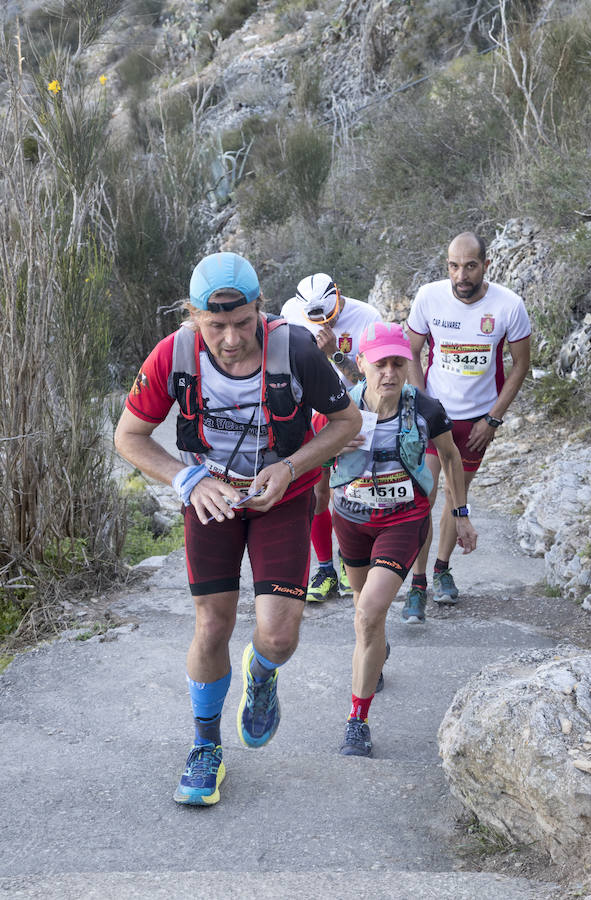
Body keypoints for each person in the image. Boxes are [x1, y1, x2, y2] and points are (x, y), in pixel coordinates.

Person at [114, 252, 361, 805]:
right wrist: (186, 479)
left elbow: (348, 422)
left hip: (283, 495)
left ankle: (263, 673)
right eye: (215, 325)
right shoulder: (172, 355)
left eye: (243, 322)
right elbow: (128, 437)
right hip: (211, 500)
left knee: (277, 635)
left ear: (260, 308)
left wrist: (293, 465)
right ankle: (205, 747)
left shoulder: (296, 348)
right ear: (192, 315)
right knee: (212, 626)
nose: (230, 339)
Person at [330, 321, 477, 756]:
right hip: (351, 520)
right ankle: (377, 647)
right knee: (365, 613)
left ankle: (358, 719)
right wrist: (333, 446)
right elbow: (307, 460)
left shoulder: (426, 409)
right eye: (381, 364)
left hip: (402, 521)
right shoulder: (339, 411)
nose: (390, 373)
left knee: (368, 613)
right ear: (361, 364)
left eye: (398, 363)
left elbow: (451, 457)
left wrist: (461, 515)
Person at [403, 231, 531, 623]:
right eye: (454, 266)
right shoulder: (428, 297)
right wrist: (421, 405)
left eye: (470, 266)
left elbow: (520, 365)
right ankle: (418, 584)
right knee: (423, 497)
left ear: (485, 265)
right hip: (433, 415)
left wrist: (492, 419)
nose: (461, 275)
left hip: (475, 423)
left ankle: (442, 569)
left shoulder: (509, 305)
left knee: (457, 495)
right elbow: (411, 350)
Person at [281, 273, 381, 603]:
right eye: (317, 318)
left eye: (330, 313)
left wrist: (336, 354)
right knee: (317, 492)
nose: (326, 322)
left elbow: (373, 379)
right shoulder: (289, 314)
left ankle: (351, 559)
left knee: (352, 490)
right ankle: (325, 569)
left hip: (354, 414)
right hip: (310, 416)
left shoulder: (367, 316)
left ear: (339, 295)